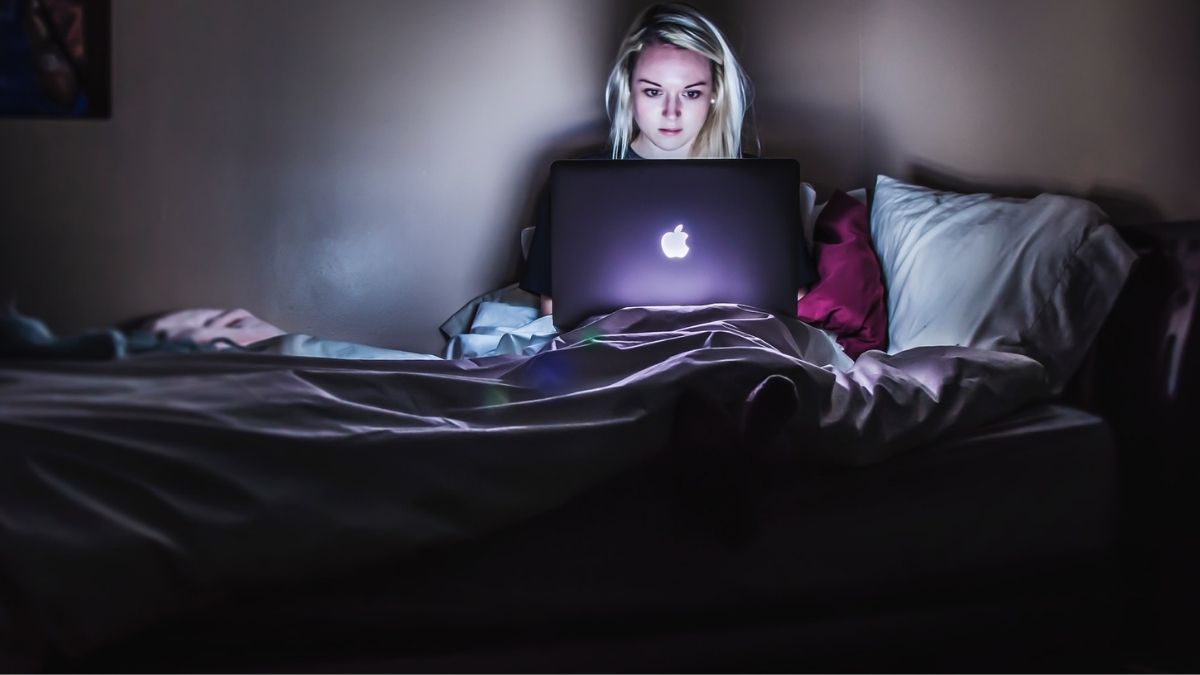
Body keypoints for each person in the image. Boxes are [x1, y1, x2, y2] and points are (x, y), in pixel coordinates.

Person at [520, 2, 817, 317]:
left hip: (726, 343)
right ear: (628, 89)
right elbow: (554, 307)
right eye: (653, 92)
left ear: (714, 94)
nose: (671, 113)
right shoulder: (577, 186)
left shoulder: (758, 184)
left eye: (691, 93)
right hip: (616, 348)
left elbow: (792, 295)